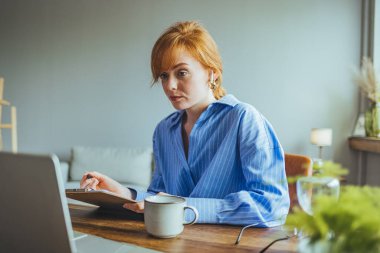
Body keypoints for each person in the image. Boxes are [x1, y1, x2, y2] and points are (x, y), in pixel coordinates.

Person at [80, 21, 290, 226]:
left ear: (212, 74)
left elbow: (272, 206)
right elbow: (160, 196)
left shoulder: (244, 119)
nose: (170, 86)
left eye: (181, 73)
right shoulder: (163, 131)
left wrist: (184, 208)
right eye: (164, 75)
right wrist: (123, 193)